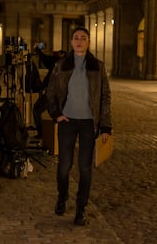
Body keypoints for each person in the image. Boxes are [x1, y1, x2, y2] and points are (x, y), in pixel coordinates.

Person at [46, 27, 112, 226]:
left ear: (88, 42)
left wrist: (106, 126)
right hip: (67, 122)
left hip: (88, 124)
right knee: (64, 167)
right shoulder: (61, 65)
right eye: (76, 38)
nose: (79, 41)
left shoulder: (97, 66)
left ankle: (81, 209)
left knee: (85, 168)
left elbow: (105, 96)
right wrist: (56, 114)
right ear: (71, 41)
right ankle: (62, 196)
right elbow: (50, 93)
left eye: (83, 38)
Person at [32, 49, 66, 138]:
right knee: (53, 113)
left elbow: (46, 59)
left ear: (62, 55)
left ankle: (42, 133)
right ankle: (59, 133)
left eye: (59, 53)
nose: (56, 54)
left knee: (37, 109)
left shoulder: (58, 63)